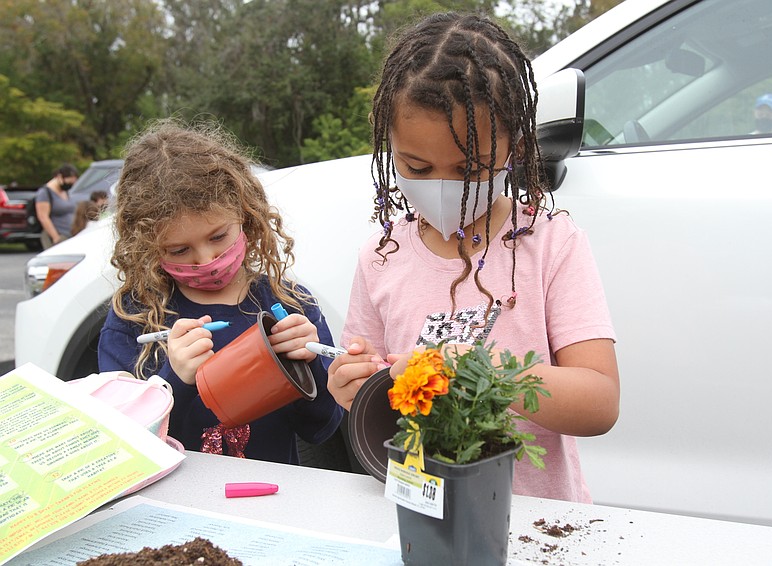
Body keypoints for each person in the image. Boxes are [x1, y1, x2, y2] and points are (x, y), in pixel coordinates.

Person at [328, 13, 620, 502]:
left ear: (515, 147)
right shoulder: (380, 257)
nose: (444, 186)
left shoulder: (551, 244)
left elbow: (600, 403)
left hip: (535, 521)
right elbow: (373, 393)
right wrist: (351, 388)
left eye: (470, 169)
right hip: (420, 511)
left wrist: (486, 371)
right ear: (390, 148)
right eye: (417, 167)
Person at [98, 120, 343, 464]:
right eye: (179, 250)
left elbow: (321, 429)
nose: (207, 259)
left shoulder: (289, 304)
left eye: (218, 236)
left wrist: (310, 365)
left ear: (246, 215)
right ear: (147, 248)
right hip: (175, 496)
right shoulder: (134, 318)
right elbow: (121, 447)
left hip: (270, 490)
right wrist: (173, 380)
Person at [35, 163, 78, 249]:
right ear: (60, 177)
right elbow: (43, 217)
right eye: (69, 182)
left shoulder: (65, 192)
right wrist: (56, 237)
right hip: (58, 236)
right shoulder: (45, 193)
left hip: (70, 235)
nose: (70, 185)